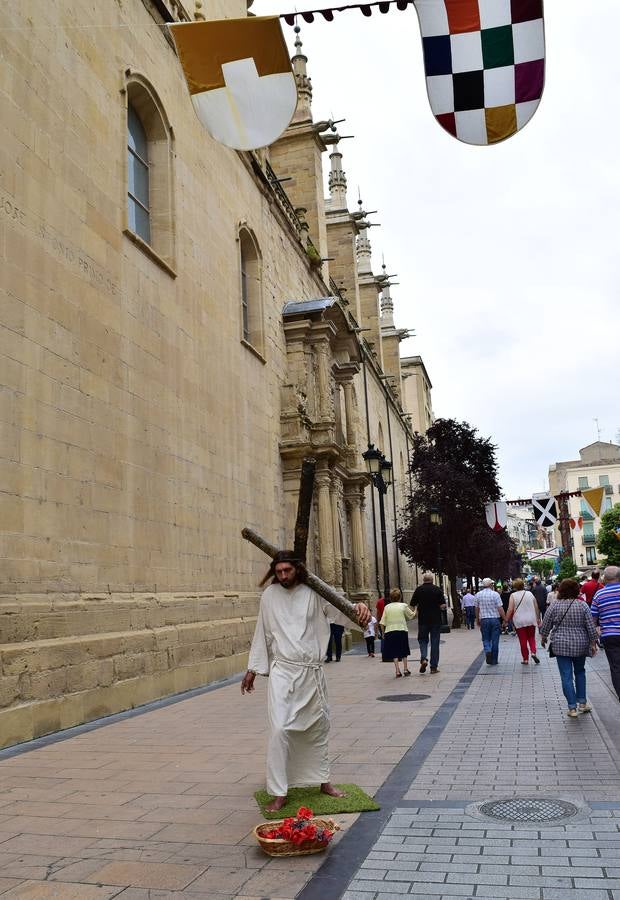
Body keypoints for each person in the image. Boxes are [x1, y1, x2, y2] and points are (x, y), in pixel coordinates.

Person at [241, 550, 370, 811]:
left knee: (317, 728)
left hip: (311, 673)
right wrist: (253, 668)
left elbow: (341, 612)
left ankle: (323, 781)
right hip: (283, 673)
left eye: (287, 570)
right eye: (278, 572)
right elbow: (262, 632)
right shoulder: (269, 596)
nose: (283, 575)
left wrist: (360, 610)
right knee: (279, 730)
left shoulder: (314, 591)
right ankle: (279, 791)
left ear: (297, 569)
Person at [540, 578, 598, 718]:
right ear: (576, 590)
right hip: (580, 643)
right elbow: (590, 626)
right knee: (580, 672)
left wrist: (544, 637)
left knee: (566, 676)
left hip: (560, 644)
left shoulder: (554, 605)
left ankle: (572, 708)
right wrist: (593, 642)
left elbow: (546, 623)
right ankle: (582, 703)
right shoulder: (582, 605)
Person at [590, 566, 620, 700]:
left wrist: (593, 639)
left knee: (616, 668)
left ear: (605, 578)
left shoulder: (599, 594)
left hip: (609, 636)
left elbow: (593, 619)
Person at [410, 572, 447, 674]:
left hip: (423, 620)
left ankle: (424, 658)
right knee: (435, 642)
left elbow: (412, 603)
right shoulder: (437, 589)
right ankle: (433, 667)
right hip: (435, 620)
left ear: (423, 580)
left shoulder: (419, 589)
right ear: (432, 580)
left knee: (422, 640)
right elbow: (443, 605)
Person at [506, 577, 541, 665]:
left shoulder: (513, 596)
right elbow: (536, 606)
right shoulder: (529, 593)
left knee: (523, 640)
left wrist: (506, 619)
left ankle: (525, 659)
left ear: (514, 586)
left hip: (519, 620)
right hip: (531, 619)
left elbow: (510, 609)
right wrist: (538, 618)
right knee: (531, 638)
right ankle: (533, 652)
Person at [380, 587, 414, 677]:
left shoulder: (387, 607)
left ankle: (397, 671)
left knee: (394, 651)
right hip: (401, 630)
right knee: (404, 650)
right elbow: (411, 616)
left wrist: (383, 633)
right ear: (400, 597)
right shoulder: (403, 606)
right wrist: (416, 609)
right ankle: (405, 669)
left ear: (391, 598)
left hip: (390, 631)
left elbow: (382, 622)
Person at [475, 578, 506, 665]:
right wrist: (504, 619)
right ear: (491, 585)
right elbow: (500, 608)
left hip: (484, 619)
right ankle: (494, 660)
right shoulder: (495, 594)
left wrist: (477, 619)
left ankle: (488, 650)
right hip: (495, 619)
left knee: (486, 638)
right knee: (495, 640)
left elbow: (477, 609)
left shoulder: (478, 595)